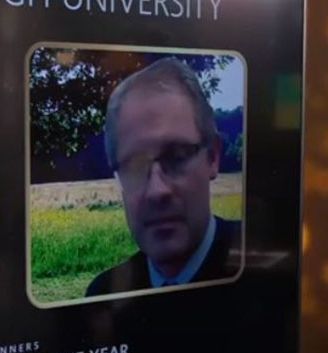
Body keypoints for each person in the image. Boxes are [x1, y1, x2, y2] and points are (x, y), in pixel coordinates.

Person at [86, 58, 242, 297]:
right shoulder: (102, 296)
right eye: (135, 166)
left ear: (213, 156)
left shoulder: (270, 270)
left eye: (177, 156)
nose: (158, 191)